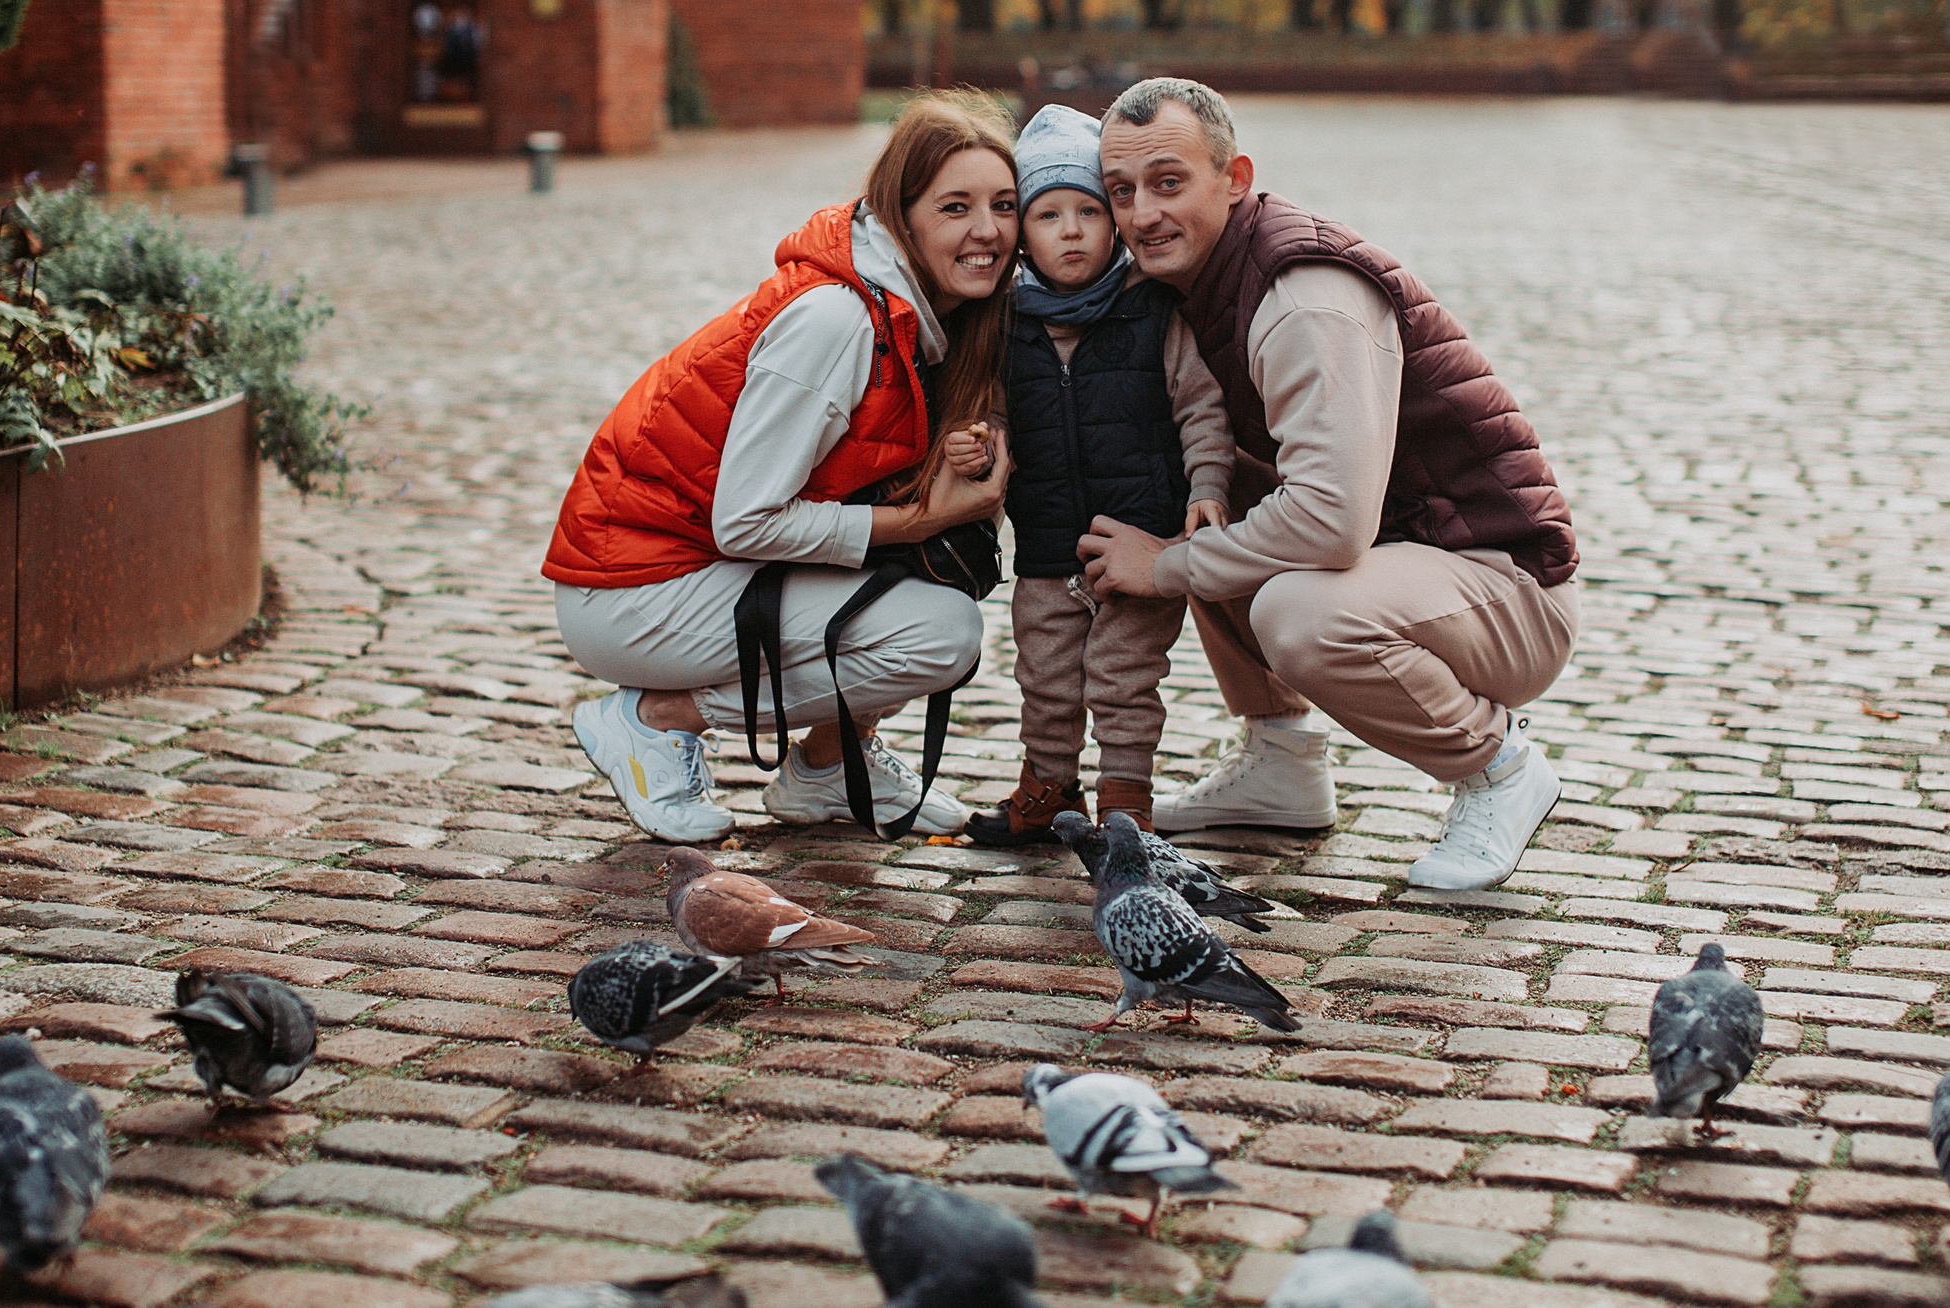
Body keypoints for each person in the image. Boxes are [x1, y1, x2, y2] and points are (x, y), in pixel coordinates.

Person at [1077, 78, 1580, 892]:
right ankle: (1282, 763)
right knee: (1196, 485)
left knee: (1297, 614)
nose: (1141, 215)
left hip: (1507, 591)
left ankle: (1498, 765)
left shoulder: (1303, 298)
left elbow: (1333, 521)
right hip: (1410, 560)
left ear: (1234, 178)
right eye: (1122, 191)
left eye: (1169, 183)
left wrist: (1165, 567)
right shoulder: (1202, 281)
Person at [542, 94, 1018, 843]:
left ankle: (830, 766)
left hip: (699, 569)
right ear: (902, 216)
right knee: (937, 633)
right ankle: (652, 720)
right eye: (955, 207)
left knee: (927, 581)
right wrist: (927, 517)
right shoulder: (837, 320)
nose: (987, 230)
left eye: (1004, 205)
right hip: (633, 586)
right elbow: (746, 519)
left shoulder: (922, 319)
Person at [961, 104, 1232, 845]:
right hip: (1046, 544)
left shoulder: (1150, 311)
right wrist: (977, 451)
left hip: (1137, 541)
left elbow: (1202, 410)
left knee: (1123, 680)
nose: (1072, 230)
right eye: (1049, 215)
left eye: (1089, 209)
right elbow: (988, 419)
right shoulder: (1005, 323)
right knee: (1044, 676)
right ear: (1024, 232)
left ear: (1114, 221)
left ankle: (1124, 801)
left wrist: (1207, 489)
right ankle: (1047, 786)